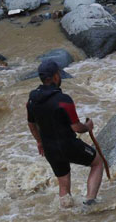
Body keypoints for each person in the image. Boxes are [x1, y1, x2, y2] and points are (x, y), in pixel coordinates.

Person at [26, 61, 103, 208]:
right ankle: (90, 202)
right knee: (97, 162)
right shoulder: (63, 100)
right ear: (55, 76)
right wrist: (88, 126)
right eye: (59, 73)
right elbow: (76, 128)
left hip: (50, 149)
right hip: (68, 145)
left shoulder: (32, 100)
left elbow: (31, 124)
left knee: (63, 183)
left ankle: (67, 214)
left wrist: (39, 142)